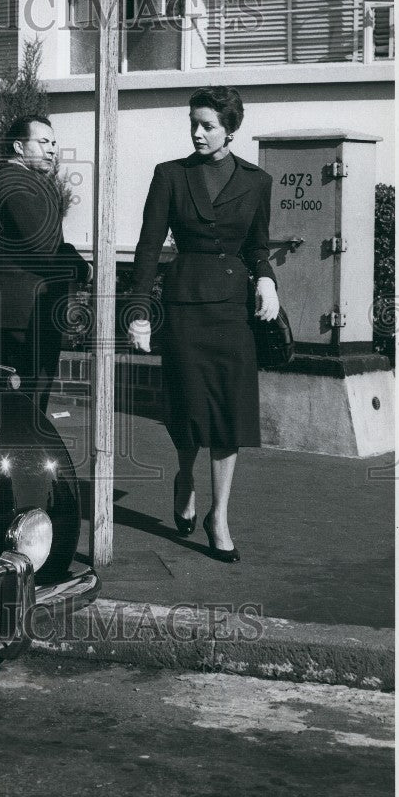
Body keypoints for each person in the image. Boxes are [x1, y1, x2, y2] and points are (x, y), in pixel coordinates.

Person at [128, 86, 279, 562]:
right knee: (188, 408)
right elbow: (149, 246)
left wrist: (267, 281)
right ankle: (184, 474)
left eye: (208, 125)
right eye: (193, 122)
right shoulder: (170, 176)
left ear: (230, 130)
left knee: (228, 413)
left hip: (232, 312)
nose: (197, 131)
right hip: (184, 305)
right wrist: (138, 310)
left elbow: (257, 246)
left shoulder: (257, 182)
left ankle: (220, 516)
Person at [0, 114, 90, 415]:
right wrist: (84, 270)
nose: (51, 149)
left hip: (12, 314)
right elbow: (46, 249)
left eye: (54, 143)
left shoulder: (6, 182)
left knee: (15, 404)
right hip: (25, 316)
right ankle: (23, 462)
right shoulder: (18, 184)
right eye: (43, 142)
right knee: (26, 408)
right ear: (19, 147)